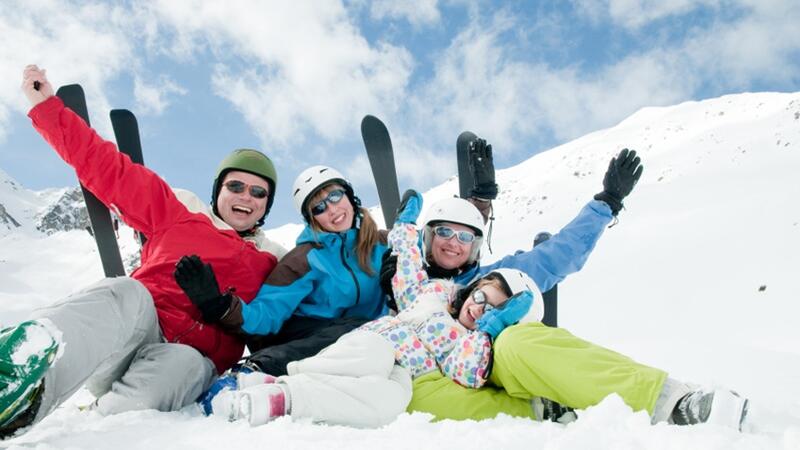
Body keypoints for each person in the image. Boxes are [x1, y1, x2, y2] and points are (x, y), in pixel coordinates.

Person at [380, 140, 748, 429]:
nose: (452, 243)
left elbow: (558, 255)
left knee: (520, 342)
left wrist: (607, 203)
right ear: (426, 237)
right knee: (414, 395)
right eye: (443, 232)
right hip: (432, 375)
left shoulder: (490, 277)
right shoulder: (401, 279)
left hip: (494, 361)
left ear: (477, 247)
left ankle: (673, 402)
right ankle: (550, 415)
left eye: (465, 237)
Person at [0, 65, 285, 439]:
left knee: (180, 364)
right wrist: (47, 107)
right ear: (219, 189)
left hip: (189, 361)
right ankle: (17, 376)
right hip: (133, 329)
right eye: (236, 185)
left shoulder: (274, 262)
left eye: (258, 192)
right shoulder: (179, 214)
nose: (246, 197)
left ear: (267, 205)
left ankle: (97, 429)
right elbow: (107, 168)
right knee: (125, 292)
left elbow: (295, 315)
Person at [199, 190, 543, 428]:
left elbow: (467, 370)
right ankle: (269, 376)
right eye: (479, 298)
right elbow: (407, 268)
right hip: (381, 340)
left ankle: (283, 398)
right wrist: (406, 228)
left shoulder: (467, 342)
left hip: (408, 372)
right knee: (368, 354)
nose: (478, 309)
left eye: (490, 311)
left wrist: (488, 332)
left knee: (387, 403)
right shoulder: (433, 294)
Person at [174, 165, 390, 383]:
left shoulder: (384, 243)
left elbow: (424, 252)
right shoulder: (304, 259)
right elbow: (267, 312)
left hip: (361, 340)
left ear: (350, 196)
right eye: (319, 208)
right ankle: (254, 371)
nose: (332, 210)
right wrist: (221, 307)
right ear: (311, 219)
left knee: (368, 335)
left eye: (335, 196)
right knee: (358, 328)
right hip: (296, 338)